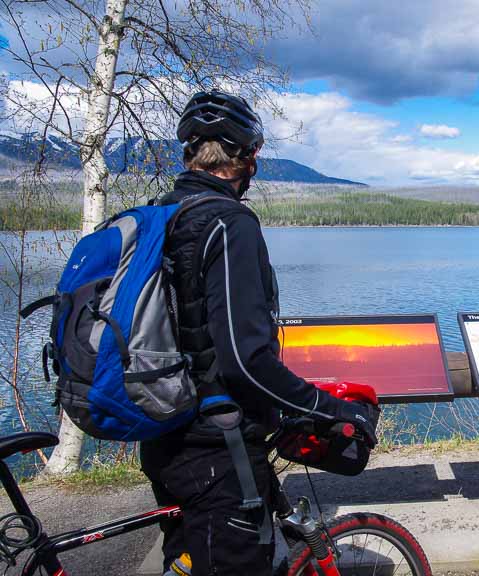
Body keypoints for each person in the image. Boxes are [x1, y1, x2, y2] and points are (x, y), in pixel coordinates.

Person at [140, 90, 378, 576]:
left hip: (164, 436)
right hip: (216, 448)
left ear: (190, 154)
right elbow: (245, 360)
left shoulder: (161, 213)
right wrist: (332, 409)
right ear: (248, 159)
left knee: (186, 560)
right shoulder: (229, 223)